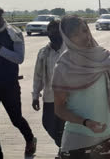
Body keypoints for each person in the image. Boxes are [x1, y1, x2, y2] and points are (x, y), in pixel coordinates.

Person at [52, 15, 110, 159]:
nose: (83, 37)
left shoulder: (104, 57)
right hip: (78, 141)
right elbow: (59, 109)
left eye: (85, 31)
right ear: (67, 38)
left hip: (106, 138)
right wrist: (86, 122)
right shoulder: (64, 66)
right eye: (75, 34)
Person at [0, 4, 37, 158]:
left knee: (16, 119)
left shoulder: (15, 33)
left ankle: (30, 138)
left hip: (9, 85)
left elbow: (18, 58)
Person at [32, 19, 65, 158]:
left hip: (69, 98)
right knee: (48, 124)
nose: (53, 33)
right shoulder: (44, 52)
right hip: (50, 97)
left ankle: (64, 150)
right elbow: (38, 75)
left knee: (65, 127)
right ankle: (62, 146)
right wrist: (35, 96)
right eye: (51, 30)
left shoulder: (71, 50)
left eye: (57, 30)